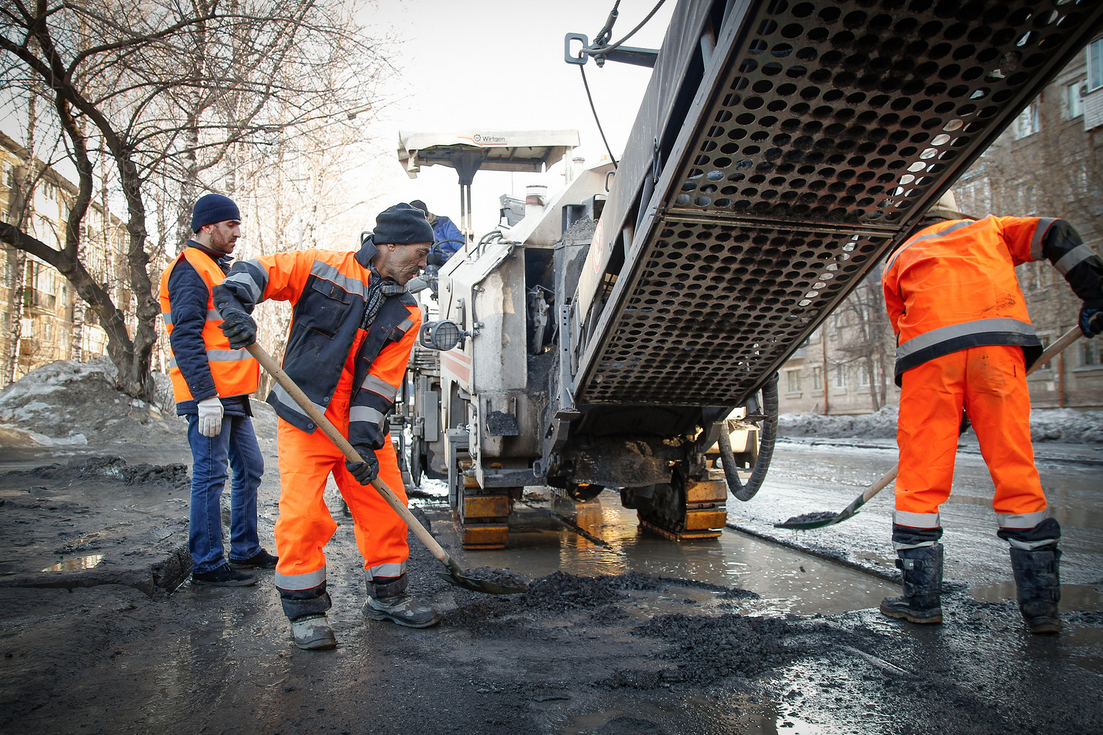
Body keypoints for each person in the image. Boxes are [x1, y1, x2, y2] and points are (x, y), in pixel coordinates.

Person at [211, 202, 438, 650]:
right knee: (303, 518)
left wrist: (365, 446)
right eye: (419, 253)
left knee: (386, 509)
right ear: (389, 245)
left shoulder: (407, 313)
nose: (423, 265)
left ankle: (388, 599)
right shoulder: (320, 268)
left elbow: (379, 385)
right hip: (307, 415)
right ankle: (305, 613)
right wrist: (234, 305)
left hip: (359, 426)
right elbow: (257, 273)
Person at [880, 192, 1103, 634]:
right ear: (958, 213)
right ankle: (1041, 609)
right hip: (998, 354)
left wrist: (948, 404)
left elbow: (904, 328)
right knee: (1015, 470)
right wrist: (1096, 292)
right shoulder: (991, 230)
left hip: (929, 362)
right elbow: (1056, 232)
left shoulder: (900, 256)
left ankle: (921, 601)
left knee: (920, 479)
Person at [158, 193, 277, 588]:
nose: (237, 233)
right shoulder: (189, 270)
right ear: (207, 227)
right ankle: (208, 564)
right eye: (230, 225)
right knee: (210, 475)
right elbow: (186, 337)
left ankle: (244, 549)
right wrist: (205, 396)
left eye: (238, 225)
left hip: (231, 395)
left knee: (251, 468)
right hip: (208, 396)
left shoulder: (214, 267)